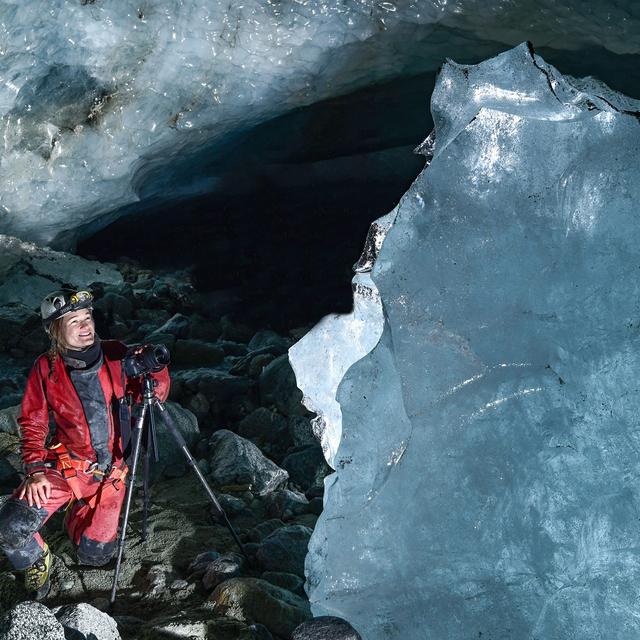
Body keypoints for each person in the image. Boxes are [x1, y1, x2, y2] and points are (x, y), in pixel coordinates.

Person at [0, 289, 170, 598]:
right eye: (74, 321)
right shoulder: (46, 368)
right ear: (56, 331)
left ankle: (77, 517)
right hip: (68, 467)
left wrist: (155, 370)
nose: (85, 326)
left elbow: (157, 392)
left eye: (88, 317)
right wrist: (35, 469)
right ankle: (39, 561)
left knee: (95, 556)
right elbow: (33, 421)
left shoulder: (117, 353)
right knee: (9, 528)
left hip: (112, 475)